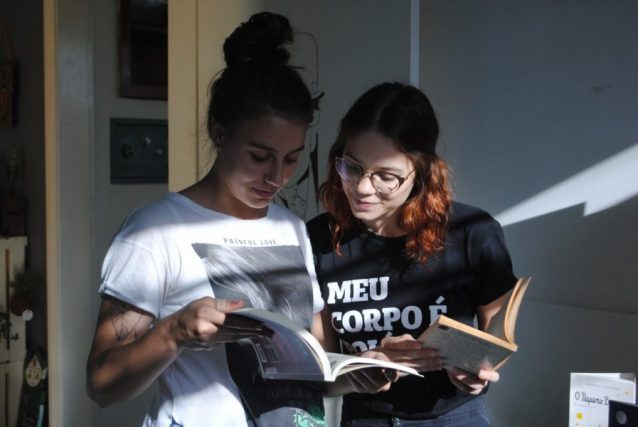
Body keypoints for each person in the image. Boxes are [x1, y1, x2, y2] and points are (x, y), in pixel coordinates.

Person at [87, 12, 328, 427]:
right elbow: (101, 385)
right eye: (260, 156)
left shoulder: (290, 227)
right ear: (219, 132)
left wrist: (362, 373)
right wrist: (173, 333)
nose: (277, 177)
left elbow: (316, 361)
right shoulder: (154, 231)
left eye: (291, 159)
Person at [306, 82, 519, 426]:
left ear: (421, 173)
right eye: (352, 167)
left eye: (386, 176)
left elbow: (499, 335)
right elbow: (324, 375)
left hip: (455, 416)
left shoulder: (473, 232)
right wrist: (361, 372)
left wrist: (479, 370)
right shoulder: (318, 239)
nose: (362, 188)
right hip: (366, 419)